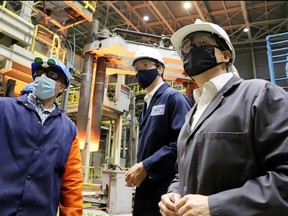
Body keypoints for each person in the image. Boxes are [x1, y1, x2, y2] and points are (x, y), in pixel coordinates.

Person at [159, 19, 288, 216]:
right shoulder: (191, 115)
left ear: (226, 55)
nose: (191, 51)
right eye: (185, 49)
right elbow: (182, 173)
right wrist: (173, 193)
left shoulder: (260, 94)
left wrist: (217, 205)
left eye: (202, 44)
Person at [0, 56, 83, 216]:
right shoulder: (3, 109)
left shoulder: (68, 129)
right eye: (39, 73)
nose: (42, 78)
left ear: (62, 87)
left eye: (51, 75)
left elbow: (71, 184)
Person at [125, 47, 193, 216]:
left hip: (167, 190)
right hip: (146, 188)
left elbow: (182, 144)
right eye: (137, 68)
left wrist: (146, 165)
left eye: (145, 65)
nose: (140, 72)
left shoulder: (174, 98)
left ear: (160, 69)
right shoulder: (148, 104)